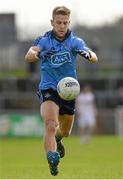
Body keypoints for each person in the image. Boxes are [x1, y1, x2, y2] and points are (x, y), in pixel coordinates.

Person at [25, 6, 98, 176]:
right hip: (49, 89)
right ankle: (51, 157)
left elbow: (93, 56)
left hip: (68, 91)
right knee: (51, 124)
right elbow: (29, 54)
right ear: (52, 22)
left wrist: (88, 54)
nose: (62, 26)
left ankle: (58, 139)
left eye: (65, 22)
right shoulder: (44, 41)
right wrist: (38, 55)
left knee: (65, 131)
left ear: (69, 23)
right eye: (58, 22)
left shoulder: (75, 41)